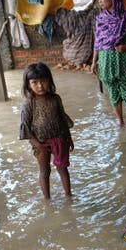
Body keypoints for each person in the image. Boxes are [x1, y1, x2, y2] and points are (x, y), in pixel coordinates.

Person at [19, 62, 74, 200]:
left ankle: (69, 196)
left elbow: (62, 120)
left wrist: (69, 138)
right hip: (40, 143)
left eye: (43, 81)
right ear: (28, 85)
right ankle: (47, 200)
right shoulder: (29, 102)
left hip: (59, 139)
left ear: (49, 81)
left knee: (62, 168)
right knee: (44, 171)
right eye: (35, 82)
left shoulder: (55, 99)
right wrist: (37, 144)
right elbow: (25, 126)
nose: (40, 86)